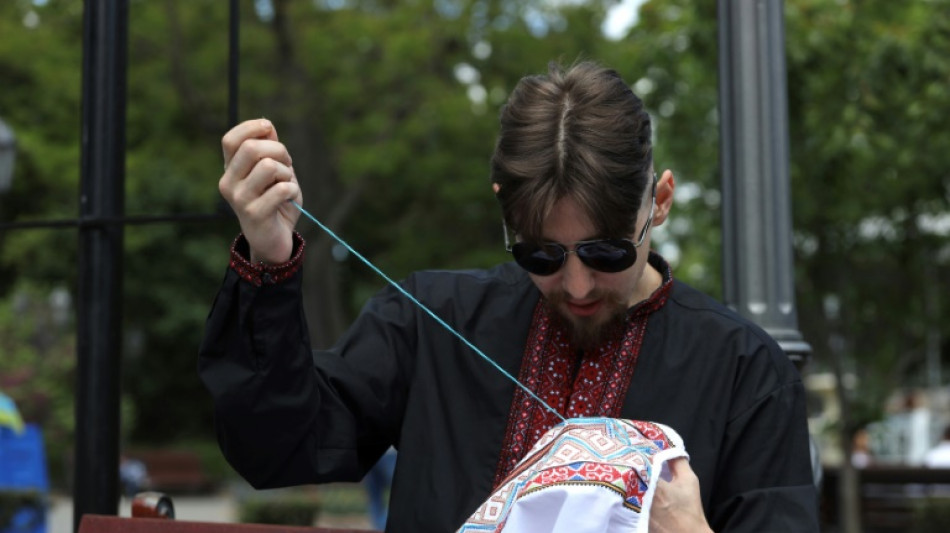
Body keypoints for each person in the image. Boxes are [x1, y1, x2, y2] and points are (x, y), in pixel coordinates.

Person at [199, 61, 818, 532]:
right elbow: (275, 450)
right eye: (540, 256)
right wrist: (269, 260)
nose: (577, 285)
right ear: (507, 215)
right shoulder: (430, 319)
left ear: (658, 202)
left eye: (606, 254)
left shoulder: (747, 373)